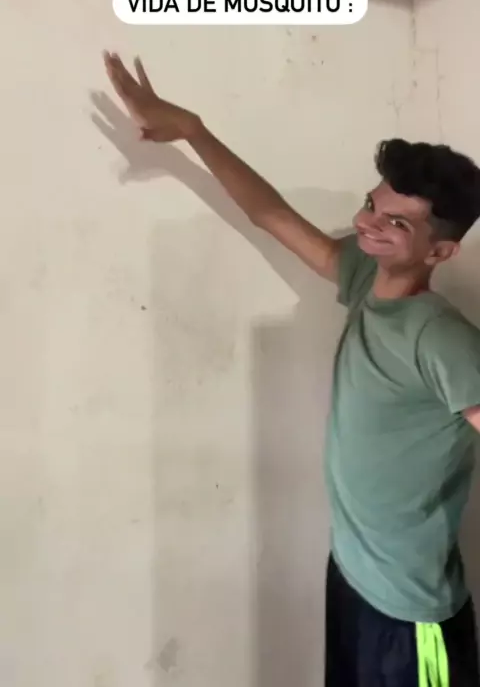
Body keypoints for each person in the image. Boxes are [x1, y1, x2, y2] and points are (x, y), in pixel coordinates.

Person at [103, 51, 480, 686]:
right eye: (371, 204)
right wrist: (193, 130)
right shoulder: (364, 279)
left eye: (395, 222)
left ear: (440, 251)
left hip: (412, 615)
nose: (368, 224)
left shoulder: (442, 338)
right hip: (354, 578)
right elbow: (270, 213)